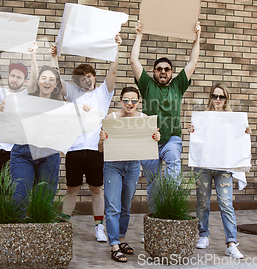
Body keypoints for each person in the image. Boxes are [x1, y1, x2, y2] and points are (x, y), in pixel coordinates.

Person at [51, 35, 121, 242]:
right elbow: (57, 80)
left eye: (89, 76)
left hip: (95, 149)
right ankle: (64, 224)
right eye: (82, 78)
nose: (86, 80)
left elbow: (113, 70)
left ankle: (99, 226)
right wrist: (54, 58)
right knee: (71, 189)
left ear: (94, 77)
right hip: (74, 149)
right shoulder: (74, 92)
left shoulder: (103, 93)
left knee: (96, 189)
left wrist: (115, 48)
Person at [130, 20, 201, 210]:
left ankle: (171, 209)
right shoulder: (146, 85)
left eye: (167, 69)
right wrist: (139, 35)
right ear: (153, 72)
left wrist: (197, 37)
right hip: (149, 140)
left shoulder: (178, 86)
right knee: (153, 182)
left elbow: (193, 61)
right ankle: (156, 217)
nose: (163, 71)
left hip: (171, 140)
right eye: (159, 69)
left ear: (171, 73)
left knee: (173, 168)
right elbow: (133, 61)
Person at [188, 83, 251, 259]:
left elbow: (238, 141)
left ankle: (231, 243)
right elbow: (199, 140)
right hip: (203, 167)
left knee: (226, 204)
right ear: (210, 97)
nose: (217, 100)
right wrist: (193, 131)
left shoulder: (233, 119)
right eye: (214, 96)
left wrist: (245, 133)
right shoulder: (202, 118)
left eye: (221, 97)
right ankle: (203, 235)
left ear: (226, 99)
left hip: (223, 168)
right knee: (202, 202)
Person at [99, 87, 160, 263]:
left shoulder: (144, 120)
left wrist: (155, 138)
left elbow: (149, 144)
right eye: (126, 100)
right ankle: (114, 244)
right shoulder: (111, 118)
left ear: (139, 102)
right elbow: (100, 149)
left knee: (126, 206)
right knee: (113, 205)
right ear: (120, 100)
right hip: (113, 166)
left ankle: (122, 237)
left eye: (133, 100)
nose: (130, 104)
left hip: (133, 165)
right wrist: (101, 139)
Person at [0, 43, 38, 193]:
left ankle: (15, 216)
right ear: (8, 77)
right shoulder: (3, 93)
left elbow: (34, 81)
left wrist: (33, 56)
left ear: (24, 81)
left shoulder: (26, 94)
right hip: (2, 150)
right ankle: (2, 217)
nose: (15, 79)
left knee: (16, 190)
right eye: (13, 75)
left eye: (19, 77)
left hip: (19, 151)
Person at [8, 65, 64, 214]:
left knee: (44, 199)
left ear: (56, 84)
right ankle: (18, 233)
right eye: (44, 78)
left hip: (49, 154)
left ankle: (41, 234)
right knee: (20, 195)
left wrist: (83, 110)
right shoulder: (24, 100)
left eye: (51, 80)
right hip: (23, 153)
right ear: (38, 81)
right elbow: (9, 115)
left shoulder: (61, 106)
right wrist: (3, 107)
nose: (47, 82)